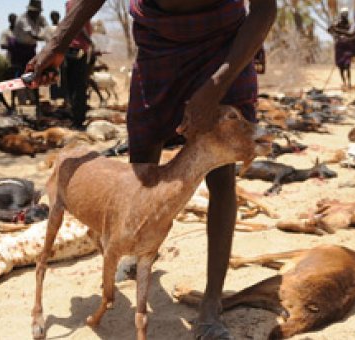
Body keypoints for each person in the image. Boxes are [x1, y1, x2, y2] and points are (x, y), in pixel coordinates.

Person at [26, 0, 276, 339]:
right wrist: (57, 46)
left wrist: (216, 85)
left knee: (221, 174)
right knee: (142, 167)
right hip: (158, 48)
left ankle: (211, 305)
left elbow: (264, 8)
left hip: (226, 47)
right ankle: (137, 248)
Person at [61, 0, 92, 129]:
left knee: (74, 85)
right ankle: (78, 120)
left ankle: (76, 118)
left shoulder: (71, 3)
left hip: (72, 49)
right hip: (77, 49)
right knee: (79, 85)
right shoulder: (77, 3)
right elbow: (77, 23)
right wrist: (90, 41)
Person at [13, 0, 47, 114]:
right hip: (19, 50)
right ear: (29, 10)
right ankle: (13, 104)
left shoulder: (40, 18)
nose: (36, 14)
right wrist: (44, 38)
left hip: (31, 49)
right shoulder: (22, 19)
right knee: (19, 75)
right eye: (34, 12)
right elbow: (32, 34)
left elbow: (47, 28)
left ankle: (37, 104)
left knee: (34, 73)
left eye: (38, 12)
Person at [328, 8, 355, 89]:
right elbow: (329, 30)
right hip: (339, 48)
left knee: (347, 65)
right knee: (341, 66)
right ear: (341, 15)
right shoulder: (337, 23)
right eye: (343, 14)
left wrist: (346, 35)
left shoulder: (350, 24)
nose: (344, 16)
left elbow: (353, 34)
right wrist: (336, 35)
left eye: (346, 14)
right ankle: (344, 82)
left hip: (347, 47)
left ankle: (349, 83)